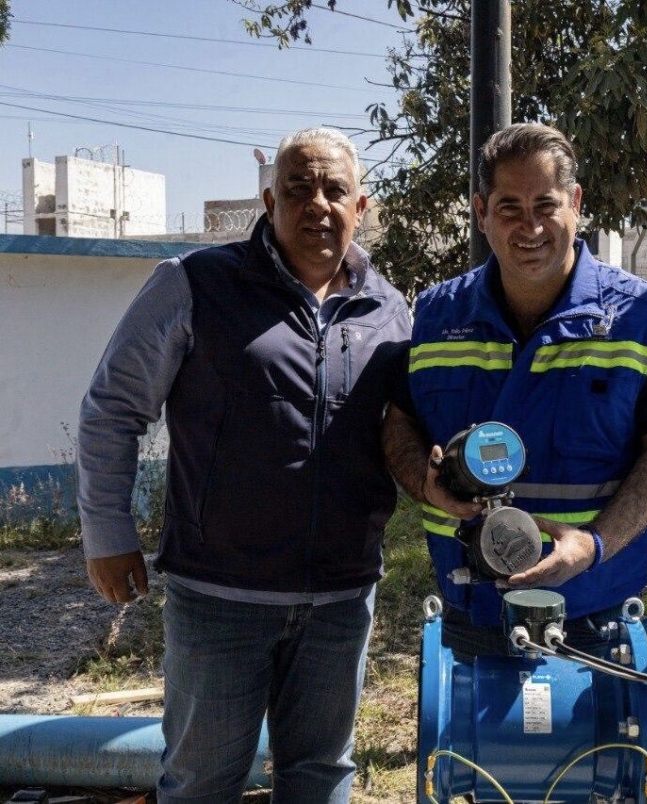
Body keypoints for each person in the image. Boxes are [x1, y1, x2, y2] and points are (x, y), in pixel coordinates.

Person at [77, 127, 412, 803]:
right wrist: (107, 533)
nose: (317, 202)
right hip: (220, 598)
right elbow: (112, 407)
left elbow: (402, 433)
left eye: (335, 189)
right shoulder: (196, 284)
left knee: (321, 776)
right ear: (269, 200)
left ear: (362, 205)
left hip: (342, 599)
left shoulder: (390, 311)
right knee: (201, 782)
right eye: (298, 187)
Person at [383, 122, 647, 658]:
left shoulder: (643, 316)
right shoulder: (437, 314)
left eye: (545, 204)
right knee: (473, 745)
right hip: (471, 606)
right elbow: (400, 424)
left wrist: (594, 544)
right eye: (509, 207)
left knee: (606, 743)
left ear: (575, 204)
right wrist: (424, 482)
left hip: (595, 610)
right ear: (481, 212)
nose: (528, 226)